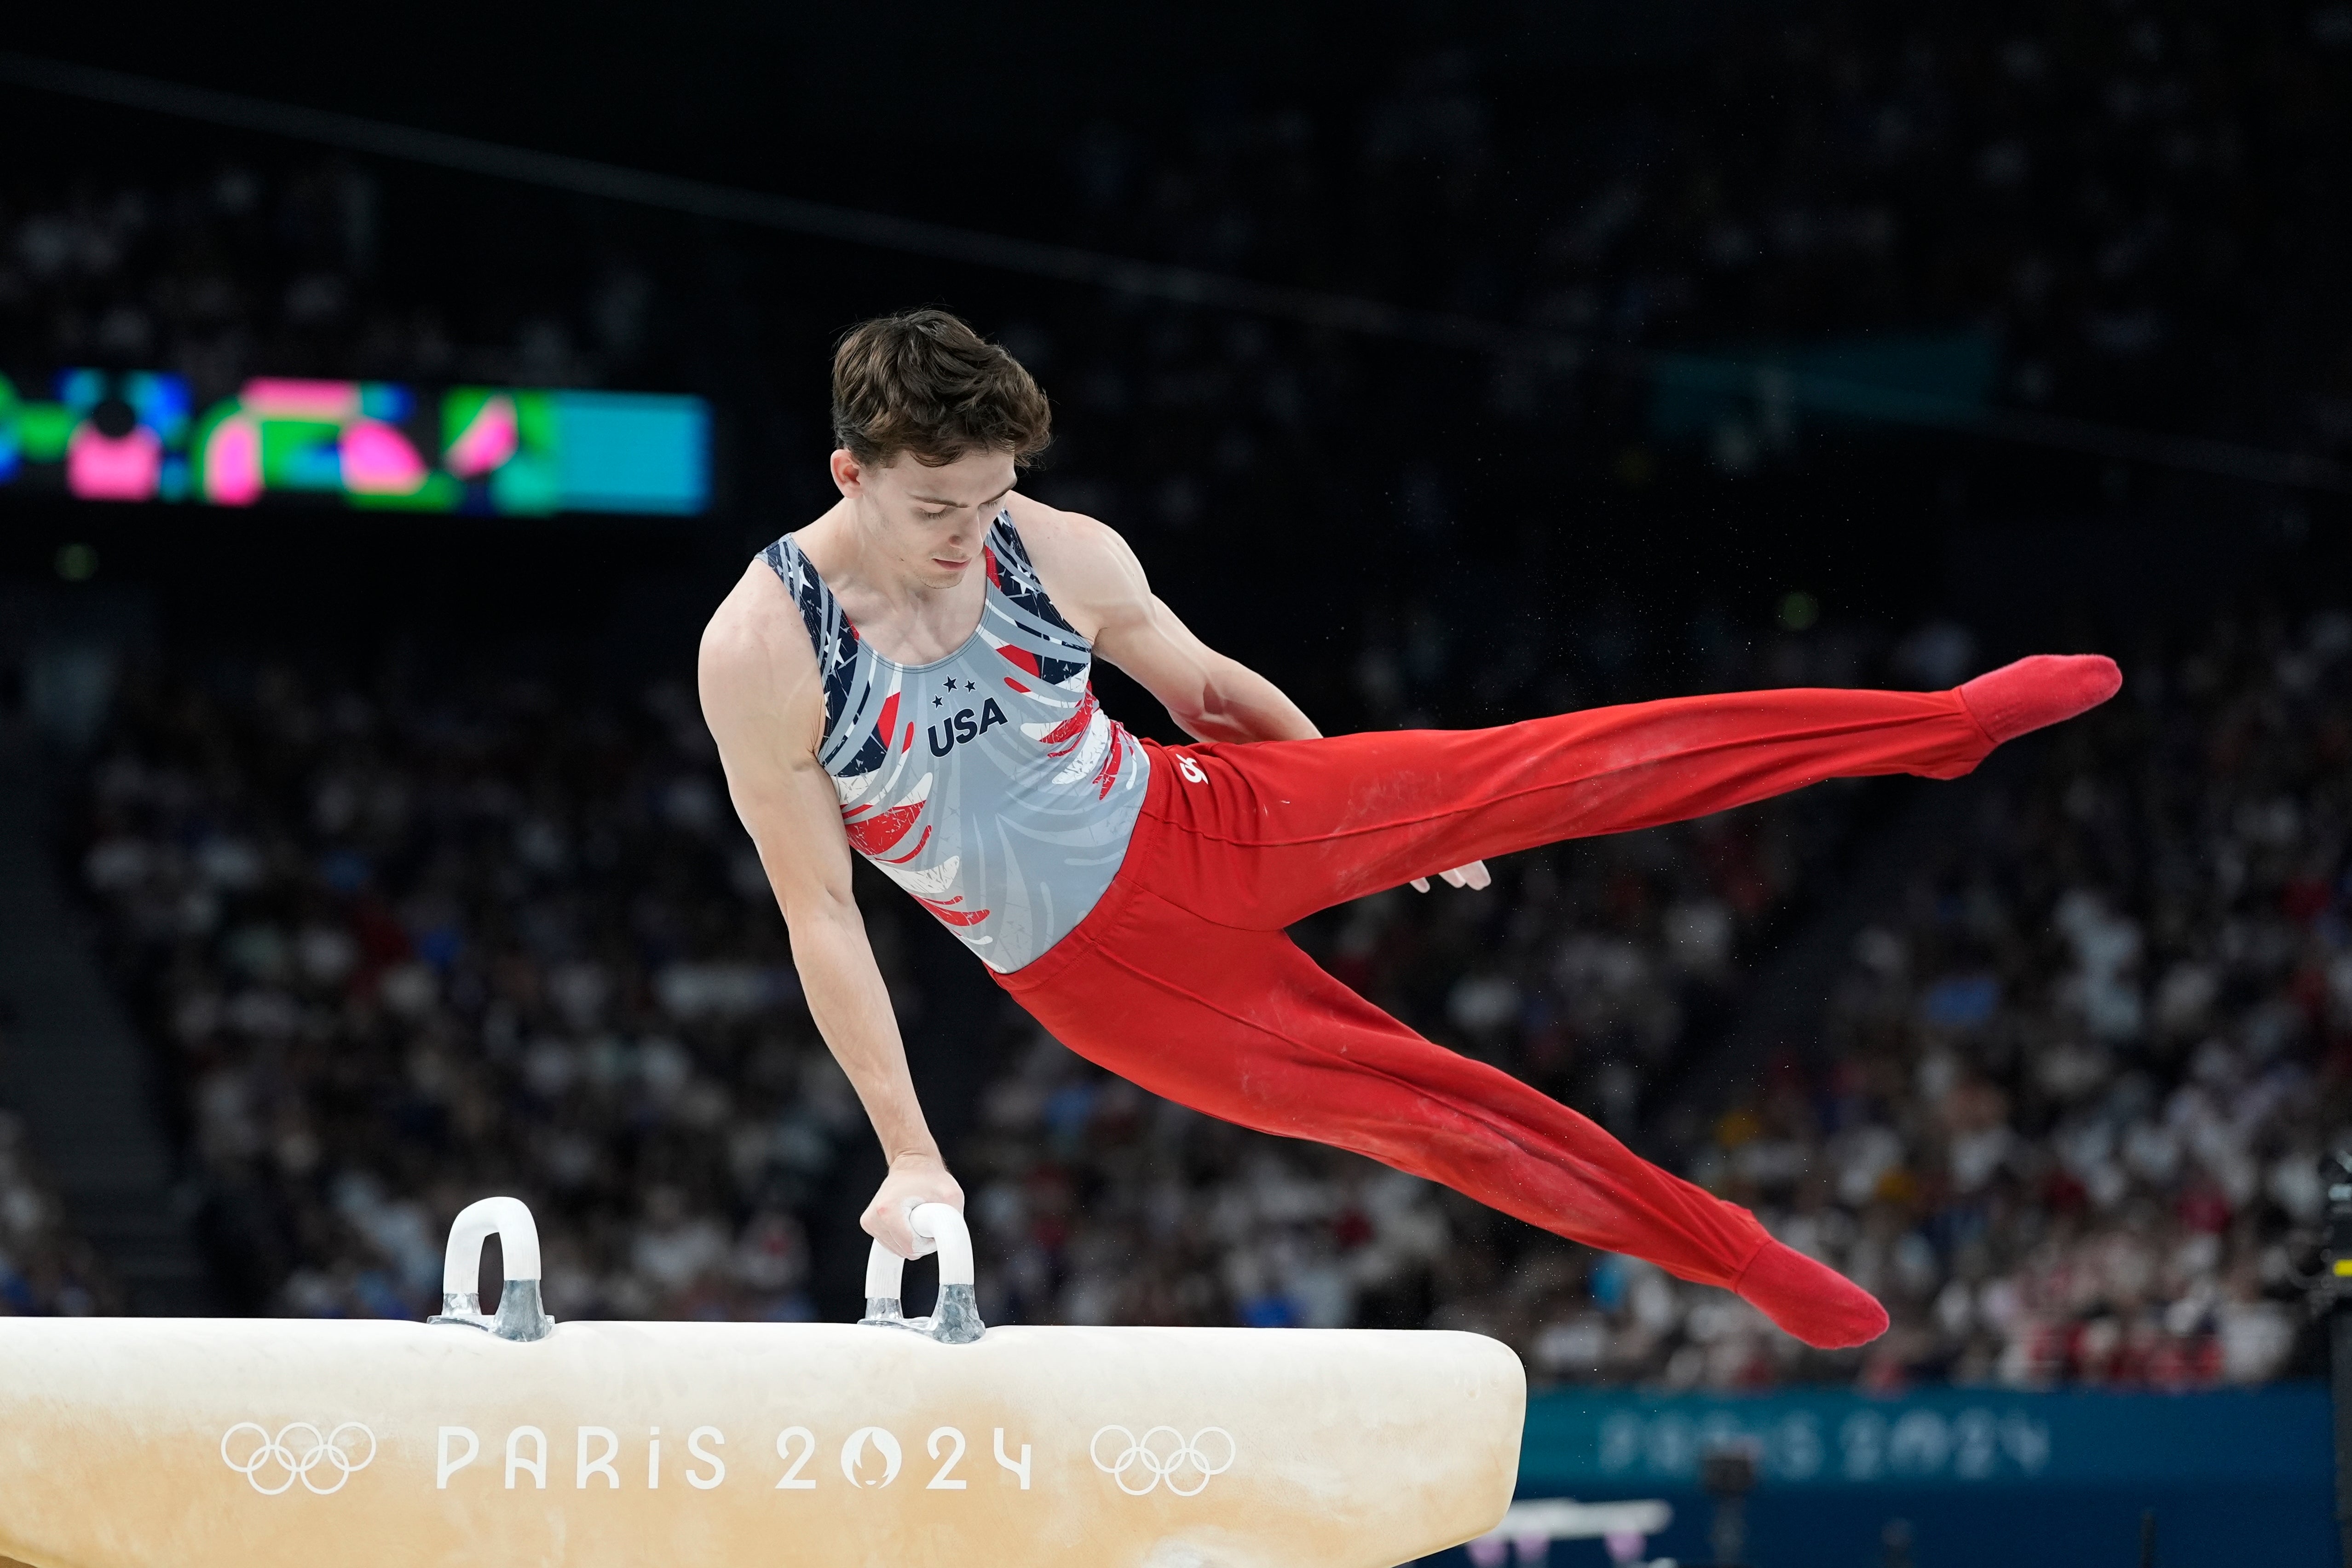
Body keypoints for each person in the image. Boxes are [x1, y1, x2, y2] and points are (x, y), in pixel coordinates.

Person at [698, 308, 2120, 1349]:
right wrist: (909, 1154)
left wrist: (1376, 807)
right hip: (1108, 973)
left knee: (1549, 764)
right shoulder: (768, 650)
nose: (972, 533)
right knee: (1436, 1113)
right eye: (943, 506)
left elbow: (1199, 691)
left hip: (1204, 817)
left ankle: (1939, 729)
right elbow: (822, 917)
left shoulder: (1056, 549)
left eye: (994, 496)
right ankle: (1736, 1255)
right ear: (851, 475)